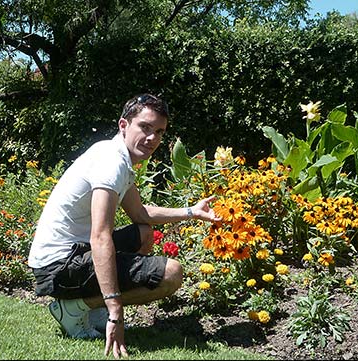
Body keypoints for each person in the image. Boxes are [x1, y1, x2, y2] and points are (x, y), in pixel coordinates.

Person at [28, 93, 221, 359]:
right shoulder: (112, 163)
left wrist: (191, 211)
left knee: (144, 233)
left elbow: (140, 213)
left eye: (159, 131)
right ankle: (76, 308)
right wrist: (115, 310)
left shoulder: (117, 156)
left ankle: (91, 310)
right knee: (171, 274)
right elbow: (100, 238)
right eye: (145, 127)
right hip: (58, 267)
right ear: (123, 125)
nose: (152, 138)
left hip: (72, 256)